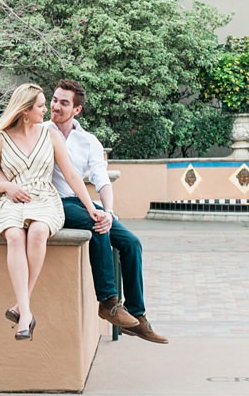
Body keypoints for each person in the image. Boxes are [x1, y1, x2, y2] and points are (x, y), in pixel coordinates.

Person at [0, 82, 106, 342]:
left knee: (38, 232)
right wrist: (8, 187)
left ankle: (21, 309)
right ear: (25, 110)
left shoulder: (50, 135)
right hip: (10, 199)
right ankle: (26, 313)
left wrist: (91, 207)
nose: (46, 109)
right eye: (40, 105)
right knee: (14, 236)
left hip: (44, 199)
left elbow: (71, 174)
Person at [48, 80, 168, 344]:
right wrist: (98, 214)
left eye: (63, 102)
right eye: (54, 99)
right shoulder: (41, 132)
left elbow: (101, 180)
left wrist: (109, 210)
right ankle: (108, 302)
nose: (55, 106)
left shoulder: (88, 141)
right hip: (55, 202)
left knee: (131, 243)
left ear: (76, 110)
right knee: (96, 225)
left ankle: (138, 317)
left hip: (83, 202)